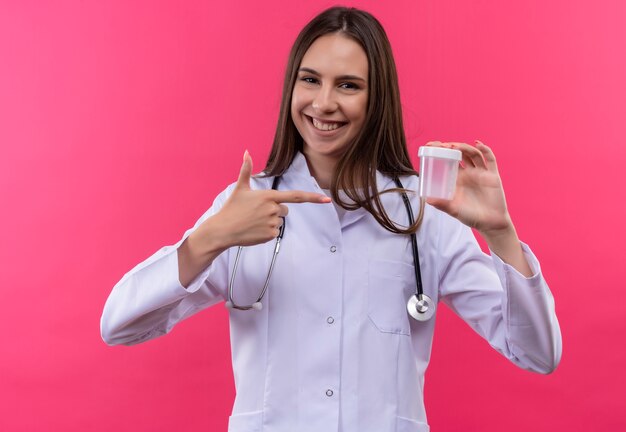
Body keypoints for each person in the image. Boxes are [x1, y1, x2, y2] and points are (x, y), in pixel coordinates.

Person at [101, 6, 562, 432]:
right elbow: (118, 325)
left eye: (348, 84)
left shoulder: (424, 214)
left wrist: (500, 235)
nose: (323, 104)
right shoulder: (245, 208)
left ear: (376, 97)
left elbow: (537, 354)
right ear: (291, 87)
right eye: (309, 80)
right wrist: (206, 242)